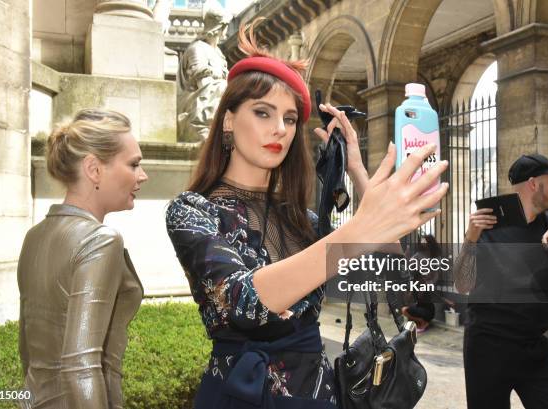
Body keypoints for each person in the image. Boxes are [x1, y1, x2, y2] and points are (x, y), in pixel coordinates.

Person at [165, 19, 449, 408]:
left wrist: (358, 172)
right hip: (240, 396)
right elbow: (244, 300)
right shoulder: (193, 211)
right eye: (263, 113)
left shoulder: (303, 220)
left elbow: (391, 275)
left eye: (289, 118)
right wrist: (360, 229)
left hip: (317, 396)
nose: (279, 129)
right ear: (229, 120)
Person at [17, 109, 148, 409]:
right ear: (94, 169)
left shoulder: (34, 236)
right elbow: (82, 366)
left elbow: (27, 353)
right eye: (134, 164)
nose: (143, 175)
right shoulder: (99, 240)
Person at [453, 153, 548, 409]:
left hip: (533, 347)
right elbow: (462, 285)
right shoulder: (488, 226)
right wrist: (471, 238)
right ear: (534, 183)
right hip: (487, 348)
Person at [176, 0, 230, 141]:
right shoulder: (197, 49)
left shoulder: (218, 52)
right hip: (195, 101)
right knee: (223, 87)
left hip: (211, 96)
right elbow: (203, 82)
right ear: (220, 27)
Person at [401, 234, 454, 332]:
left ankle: (423, 322)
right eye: (422, 241)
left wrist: (428, 282)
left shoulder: (435, 257)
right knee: (414, 305)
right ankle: (420, 322)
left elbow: (435, 273)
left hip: (427, 284)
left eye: (425, 241)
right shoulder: (418, 255)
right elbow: (410, 265)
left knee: (408, 308)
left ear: (430, 243)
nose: (423, 243)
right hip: (422, 283)